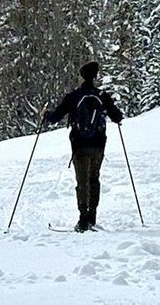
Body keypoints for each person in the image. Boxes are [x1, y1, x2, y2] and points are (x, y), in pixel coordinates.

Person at [43, 61, 124, 231]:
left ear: (82, 77)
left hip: (79, 145)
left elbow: (55, 118)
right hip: (99, 145)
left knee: (82, 182)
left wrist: (45, 114)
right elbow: (117, 116)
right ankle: (92, 216)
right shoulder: (102, 95)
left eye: (79, 75)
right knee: (94, 179)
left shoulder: (73, 96)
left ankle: (83, 219)